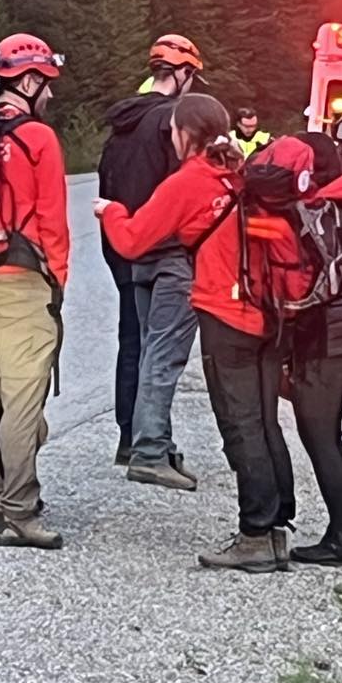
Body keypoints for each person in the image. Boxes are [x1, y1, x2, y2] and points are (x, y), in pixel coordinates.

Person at [95, 96, 294, 573]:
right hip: (265, 309)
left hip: (225, 311)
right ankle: (275, 529)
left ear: (185, 134)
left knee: (239, 424)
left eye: (173, 131)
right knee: (263, 421)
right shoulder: (238, 169)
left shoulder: (190, 181)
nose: (170, 138)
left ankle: (255, 536)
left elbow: (133, 240)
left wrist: (111, 211)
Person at [0, 32, 69, 551]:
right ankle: (18, 510)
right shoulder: (37, 137)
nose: (50, 92)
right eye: (46, 82)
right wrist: (57, 282)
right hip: (22, 281)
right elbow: (52, 220)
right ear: (26, 81)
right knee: (22, 399)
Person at [251, 134, 342, 566]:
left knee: (321, 438)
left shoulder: (309, 209)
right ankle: (340, 534)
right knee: (322, 435)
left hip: (327, 332)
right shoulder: (337, 205)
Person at [97, 34, 207, 487]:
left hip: (122, 245)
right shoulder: (171, 123)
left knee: (134, 342)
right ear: (183, 74)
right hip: (163, 248)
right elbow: (183, 190)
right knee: (159, 351)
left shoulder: (125, 121)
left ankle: (133, 437)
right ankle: (149, 446)